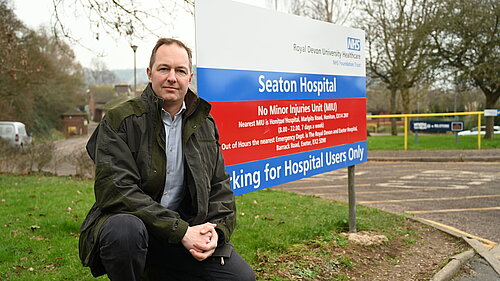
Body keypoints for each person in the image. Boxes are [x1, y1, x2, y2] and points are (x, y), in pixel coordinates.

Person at [79, 38, 255, 281]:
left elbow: (219, 188)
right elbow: (117, 190)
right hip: (138, 228)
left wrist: (217, 231)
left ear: (189, 78)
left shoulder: (205, 124)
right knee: (124, 232)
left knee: (241, 278)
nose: (172, 77)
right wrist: (180, 230)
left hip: (184, 231)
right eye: (164, 69)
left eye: (180, 70)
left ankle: (159, 269)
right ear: (150, 73)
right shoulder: (120, 120)